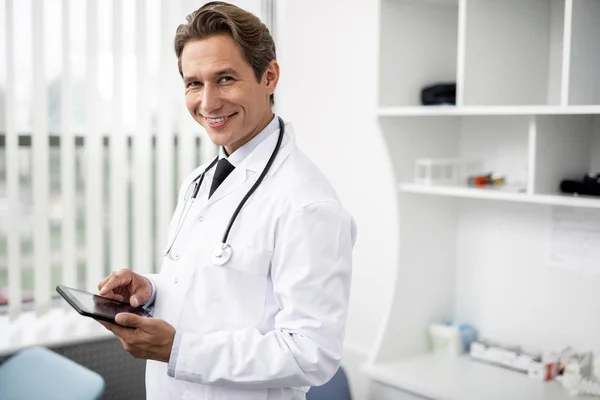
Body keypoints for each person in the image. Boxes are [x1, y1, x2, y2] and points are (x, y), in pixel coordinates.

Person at [96, 2, 357, 399]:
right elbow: (214, 290)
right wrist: (151, 290)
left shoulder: (307, 204)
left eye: (225, 79)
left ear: (269, 76)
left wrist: (180, 349)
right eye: (194, 83)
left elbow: (312, 354)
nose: (208, 102)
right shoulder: (199, 181)